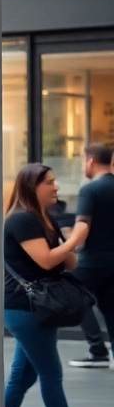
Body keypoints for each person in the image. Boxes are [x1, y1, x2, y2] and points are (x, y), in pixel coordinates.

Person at [3, 163, 114, 407]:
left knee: (21, 378)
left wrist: (71, 245)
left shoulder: (41, 219)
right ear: (32, 186)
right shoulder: (22, 220)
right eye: (49, 182)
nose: (55, 187)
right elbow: (46, 260)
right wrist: (77, 236)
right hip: (26, 308)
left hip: (34, 308)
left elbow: (69, 263)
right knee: (51, 374)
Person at [71, 144, 114, 368]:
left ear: (91, 161)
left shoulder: (90, 189)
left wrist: (69, 246)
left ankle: (97, 350)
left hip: (93, 259)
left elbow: (83, 224)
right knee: (109, 306)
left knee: (74, 296)